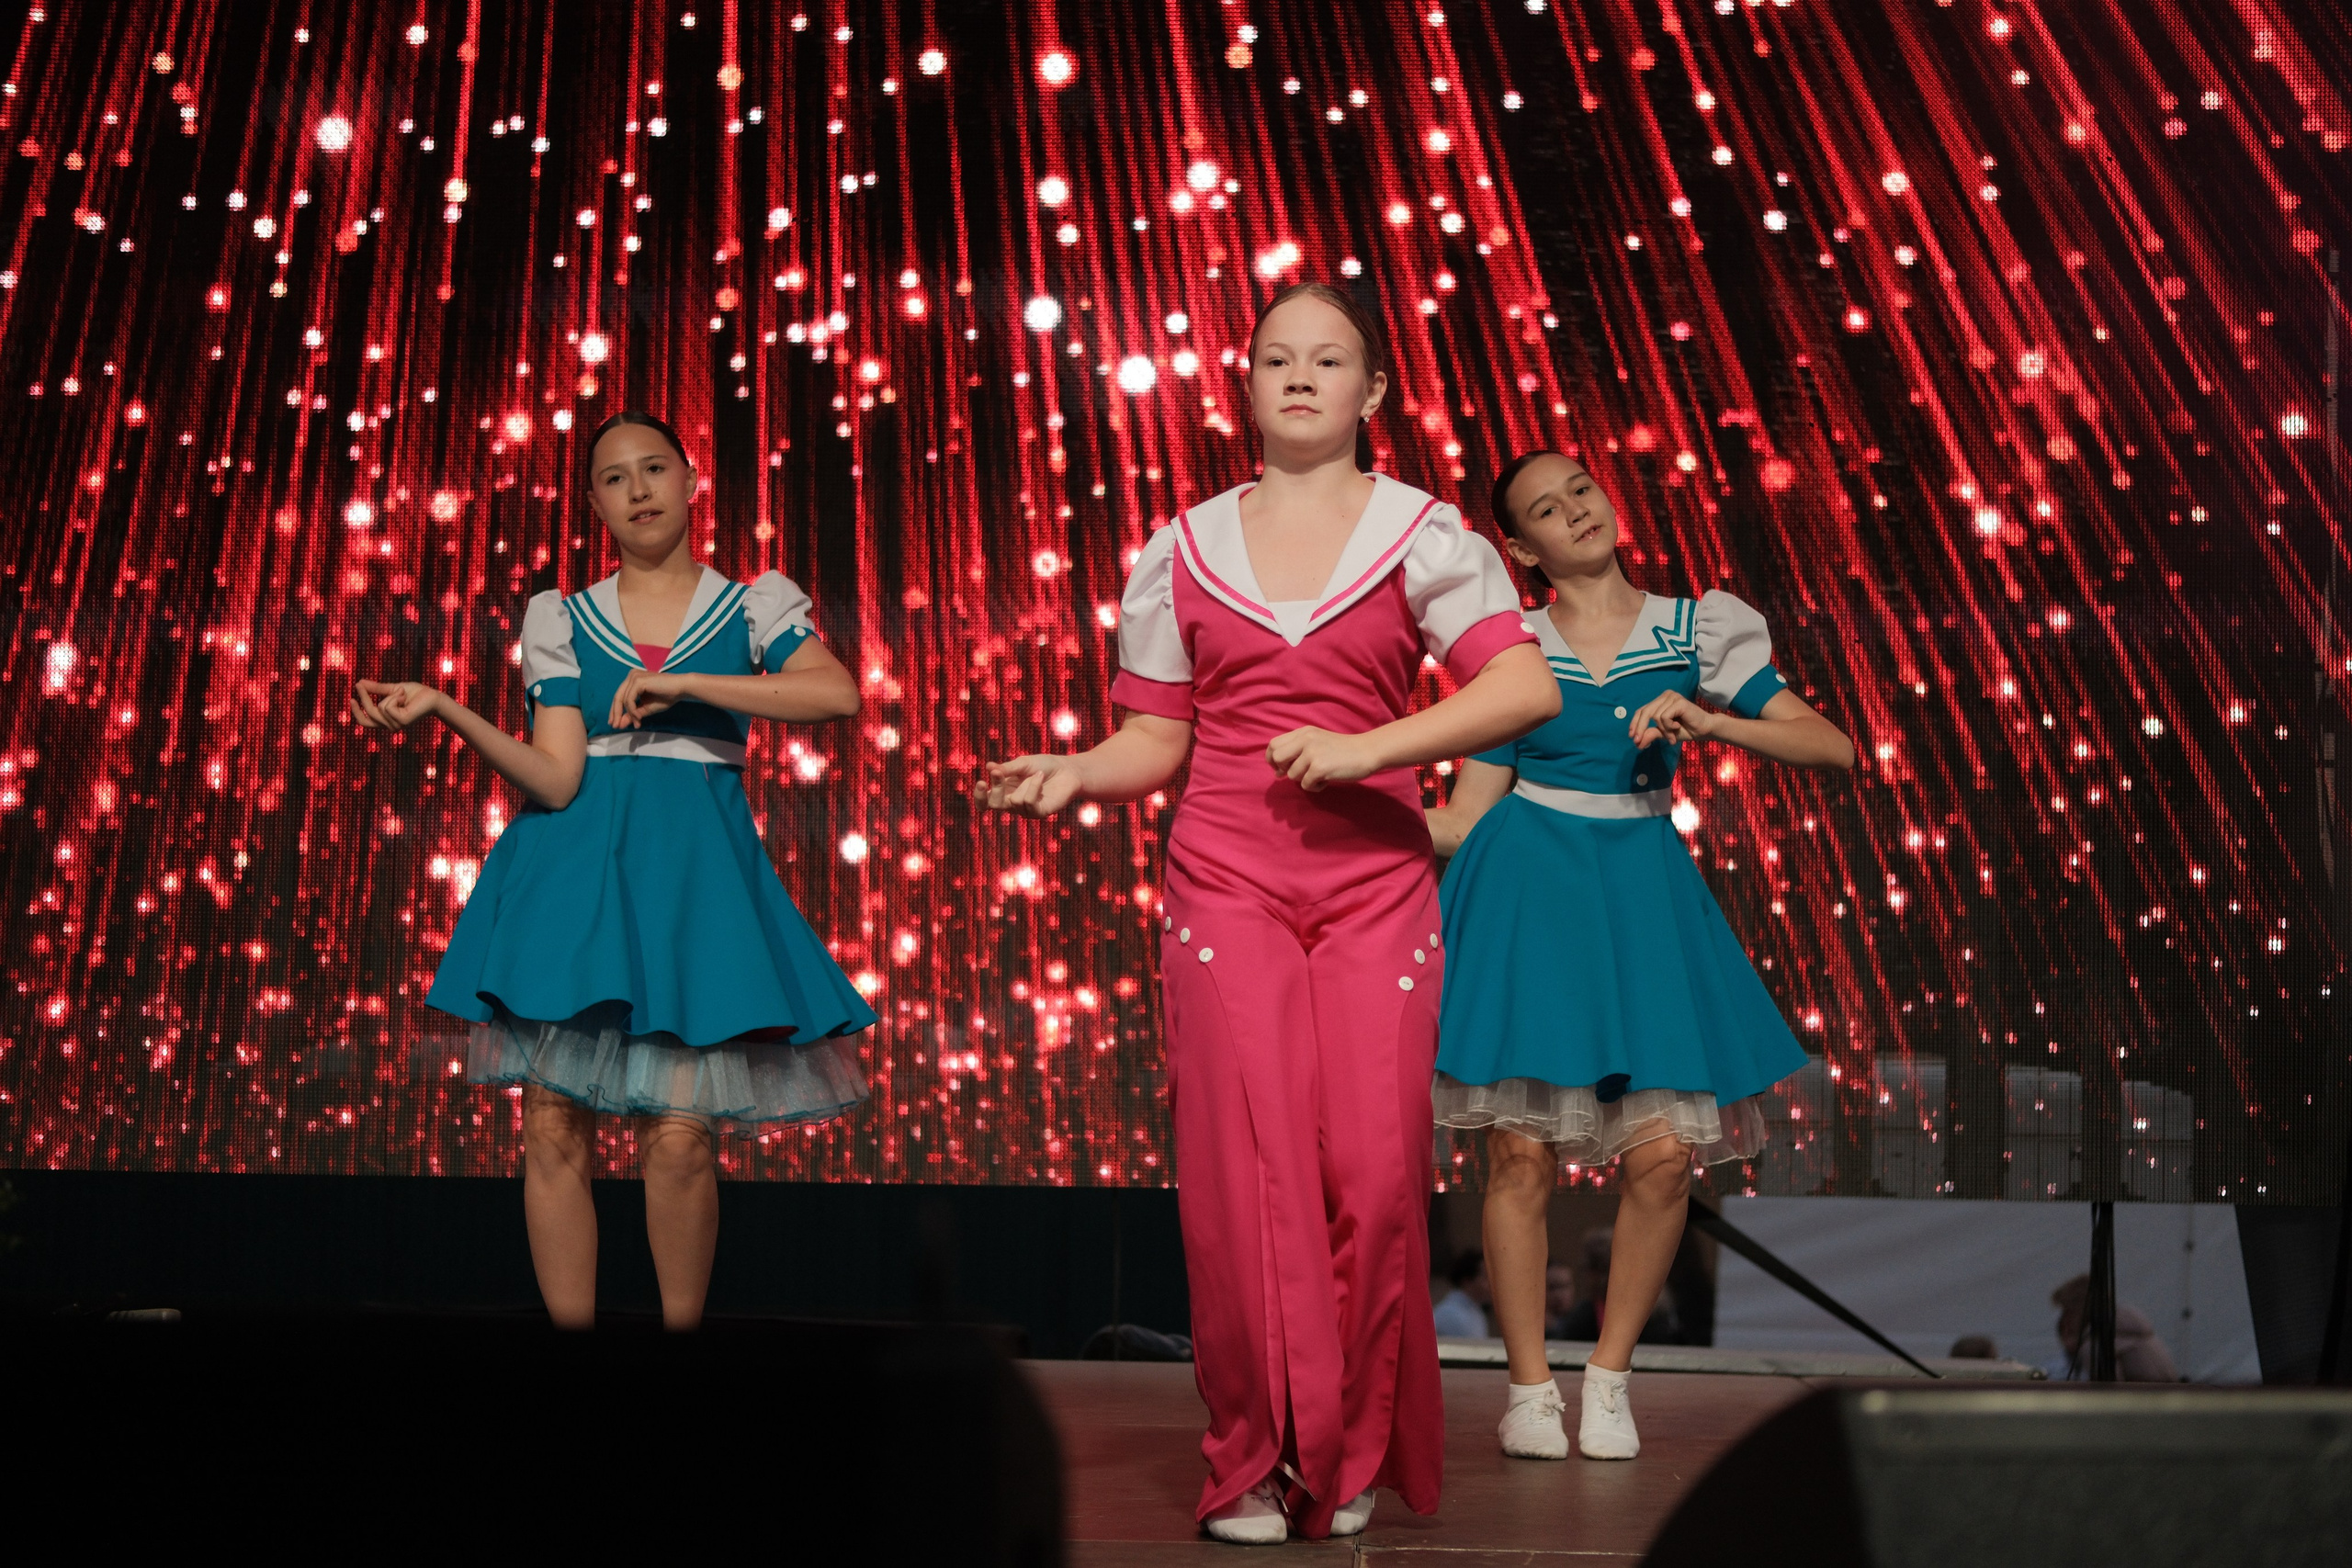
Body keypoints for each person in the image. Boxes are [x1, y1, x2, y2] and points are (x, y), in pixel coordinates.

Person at [980, 283, 1558, 1542]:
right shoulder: (1180, 544)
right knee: (1244, 1181)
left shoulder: (1426, 534)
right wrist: (1078, 770)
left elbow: (1518, 687)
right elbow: (1154, 734)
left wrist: (1373, 751)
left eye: (1330, 358)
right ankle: (1250, 1456)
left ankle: (1343, 1452)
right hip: (1224, 877)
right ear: (1246, 388)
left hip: (1375, 884)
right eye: (1278, 359)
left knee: (1371, 1170)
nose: (1301, 376)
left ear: (1373, 391)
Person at [352, 411, 876, 1330]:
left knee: (678, 1141)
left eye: (654, 469)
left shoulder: (752, 605)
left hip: (691, 887)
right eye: (613, 478)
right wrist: (442, 706)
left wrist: (690, 684)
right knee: (555, 1126)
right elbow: (555, 776)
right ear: (593, 501)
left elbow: (835, 693)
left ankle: (676, 1359)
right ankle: (579, 1365)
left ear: (688, 479)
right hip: (574, 878)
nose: (638, 491)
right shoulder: (561, 615)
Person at [1425, 448, 1855, 1461]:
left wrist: (1711, 721)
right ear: (1521, 548)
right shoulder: (1513, 650)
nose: (1573, 510)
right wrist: (1352, 789)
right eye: (1544, 509)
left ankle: (1608, 1376)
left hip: (1642, 896)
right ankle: (1529, 1388)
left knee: (1664, 1160)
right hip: (1529, 893)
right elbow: (1465, 818)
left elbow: (1831, 746)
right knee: (1518, 1152)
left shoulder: (1695, 626)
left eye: (1580, 487)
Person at [2051, 1275, 2182, 1382]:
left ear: (2078, 1311)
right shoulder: (2127, 1327)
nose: (2064, 1319)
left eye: (2067, 1312)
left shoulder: (2095, 1344)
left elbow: (2108, 1398)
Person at [1432, 1249, 1495, 1338]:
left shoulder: (1476, 1311)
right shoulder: (1451, 1314)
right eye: (1485, 1278)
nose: (1490, 1284)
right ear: (1467, 1281)